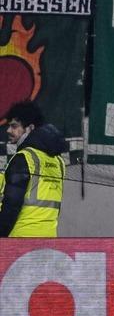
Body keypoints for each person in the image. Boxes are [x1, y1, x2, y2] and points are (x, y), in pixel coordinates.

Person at [0, 101, 67, 237]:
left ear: (30, 128)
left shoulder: (24, 158)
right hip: (49, 237)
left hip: (20, 237)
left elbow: (11, 205)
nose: (8, 130)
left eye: (14, 126)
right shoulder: (59, 161)